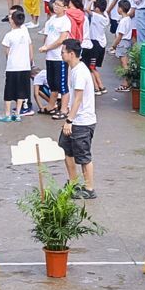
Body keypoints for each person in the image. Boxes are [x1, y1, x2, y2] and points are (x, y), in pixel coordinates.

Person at [58, 39, 98, 197]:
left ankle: (89, 188)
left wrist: (69, 120)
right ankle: (73, 183)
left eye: (63, 52)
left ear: (71, 54)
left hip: (82, 121)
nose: (61, 54)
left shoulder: (80, 72)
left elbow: (78, 99)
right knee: (66, 149)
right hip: (74, 118)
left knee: (83, 156)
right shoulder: (72, 68)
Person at [0, 7, 34, 122]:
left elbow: (7, 51)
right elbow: (29, 47)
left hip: (13, 67)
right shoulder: (24, 33)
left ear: (12, 21)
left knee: (8, 91)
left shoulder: (9, 35)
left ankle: (7, 113)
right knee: (21, 91)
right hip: (25, 66)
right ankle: (18, 113)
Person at [40, 0, 72, 116]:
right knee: (52, 83)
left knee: (62, 84)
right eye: (55, 4)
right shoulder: (51, 20)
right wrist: (45, 46)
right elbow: (47, 36)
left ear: (65, 8)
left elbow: (61, 40)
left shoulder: (65, 21)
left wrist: (47, 47)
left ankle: (64, 109)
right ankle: (51, 106)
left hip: (59, 57)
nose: (56, 7)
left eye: (59, 5)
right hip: (50, 56)